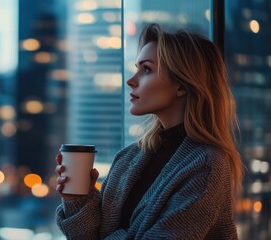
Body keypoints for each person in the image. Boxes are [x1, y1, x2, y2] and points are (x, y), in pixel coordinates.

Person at [54, 23, 244, 239]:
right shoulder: (127, 158)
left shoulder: (207, 166)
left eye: (147, 69)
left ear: (181, 85)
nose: (131, 80)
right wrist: (77, 198)